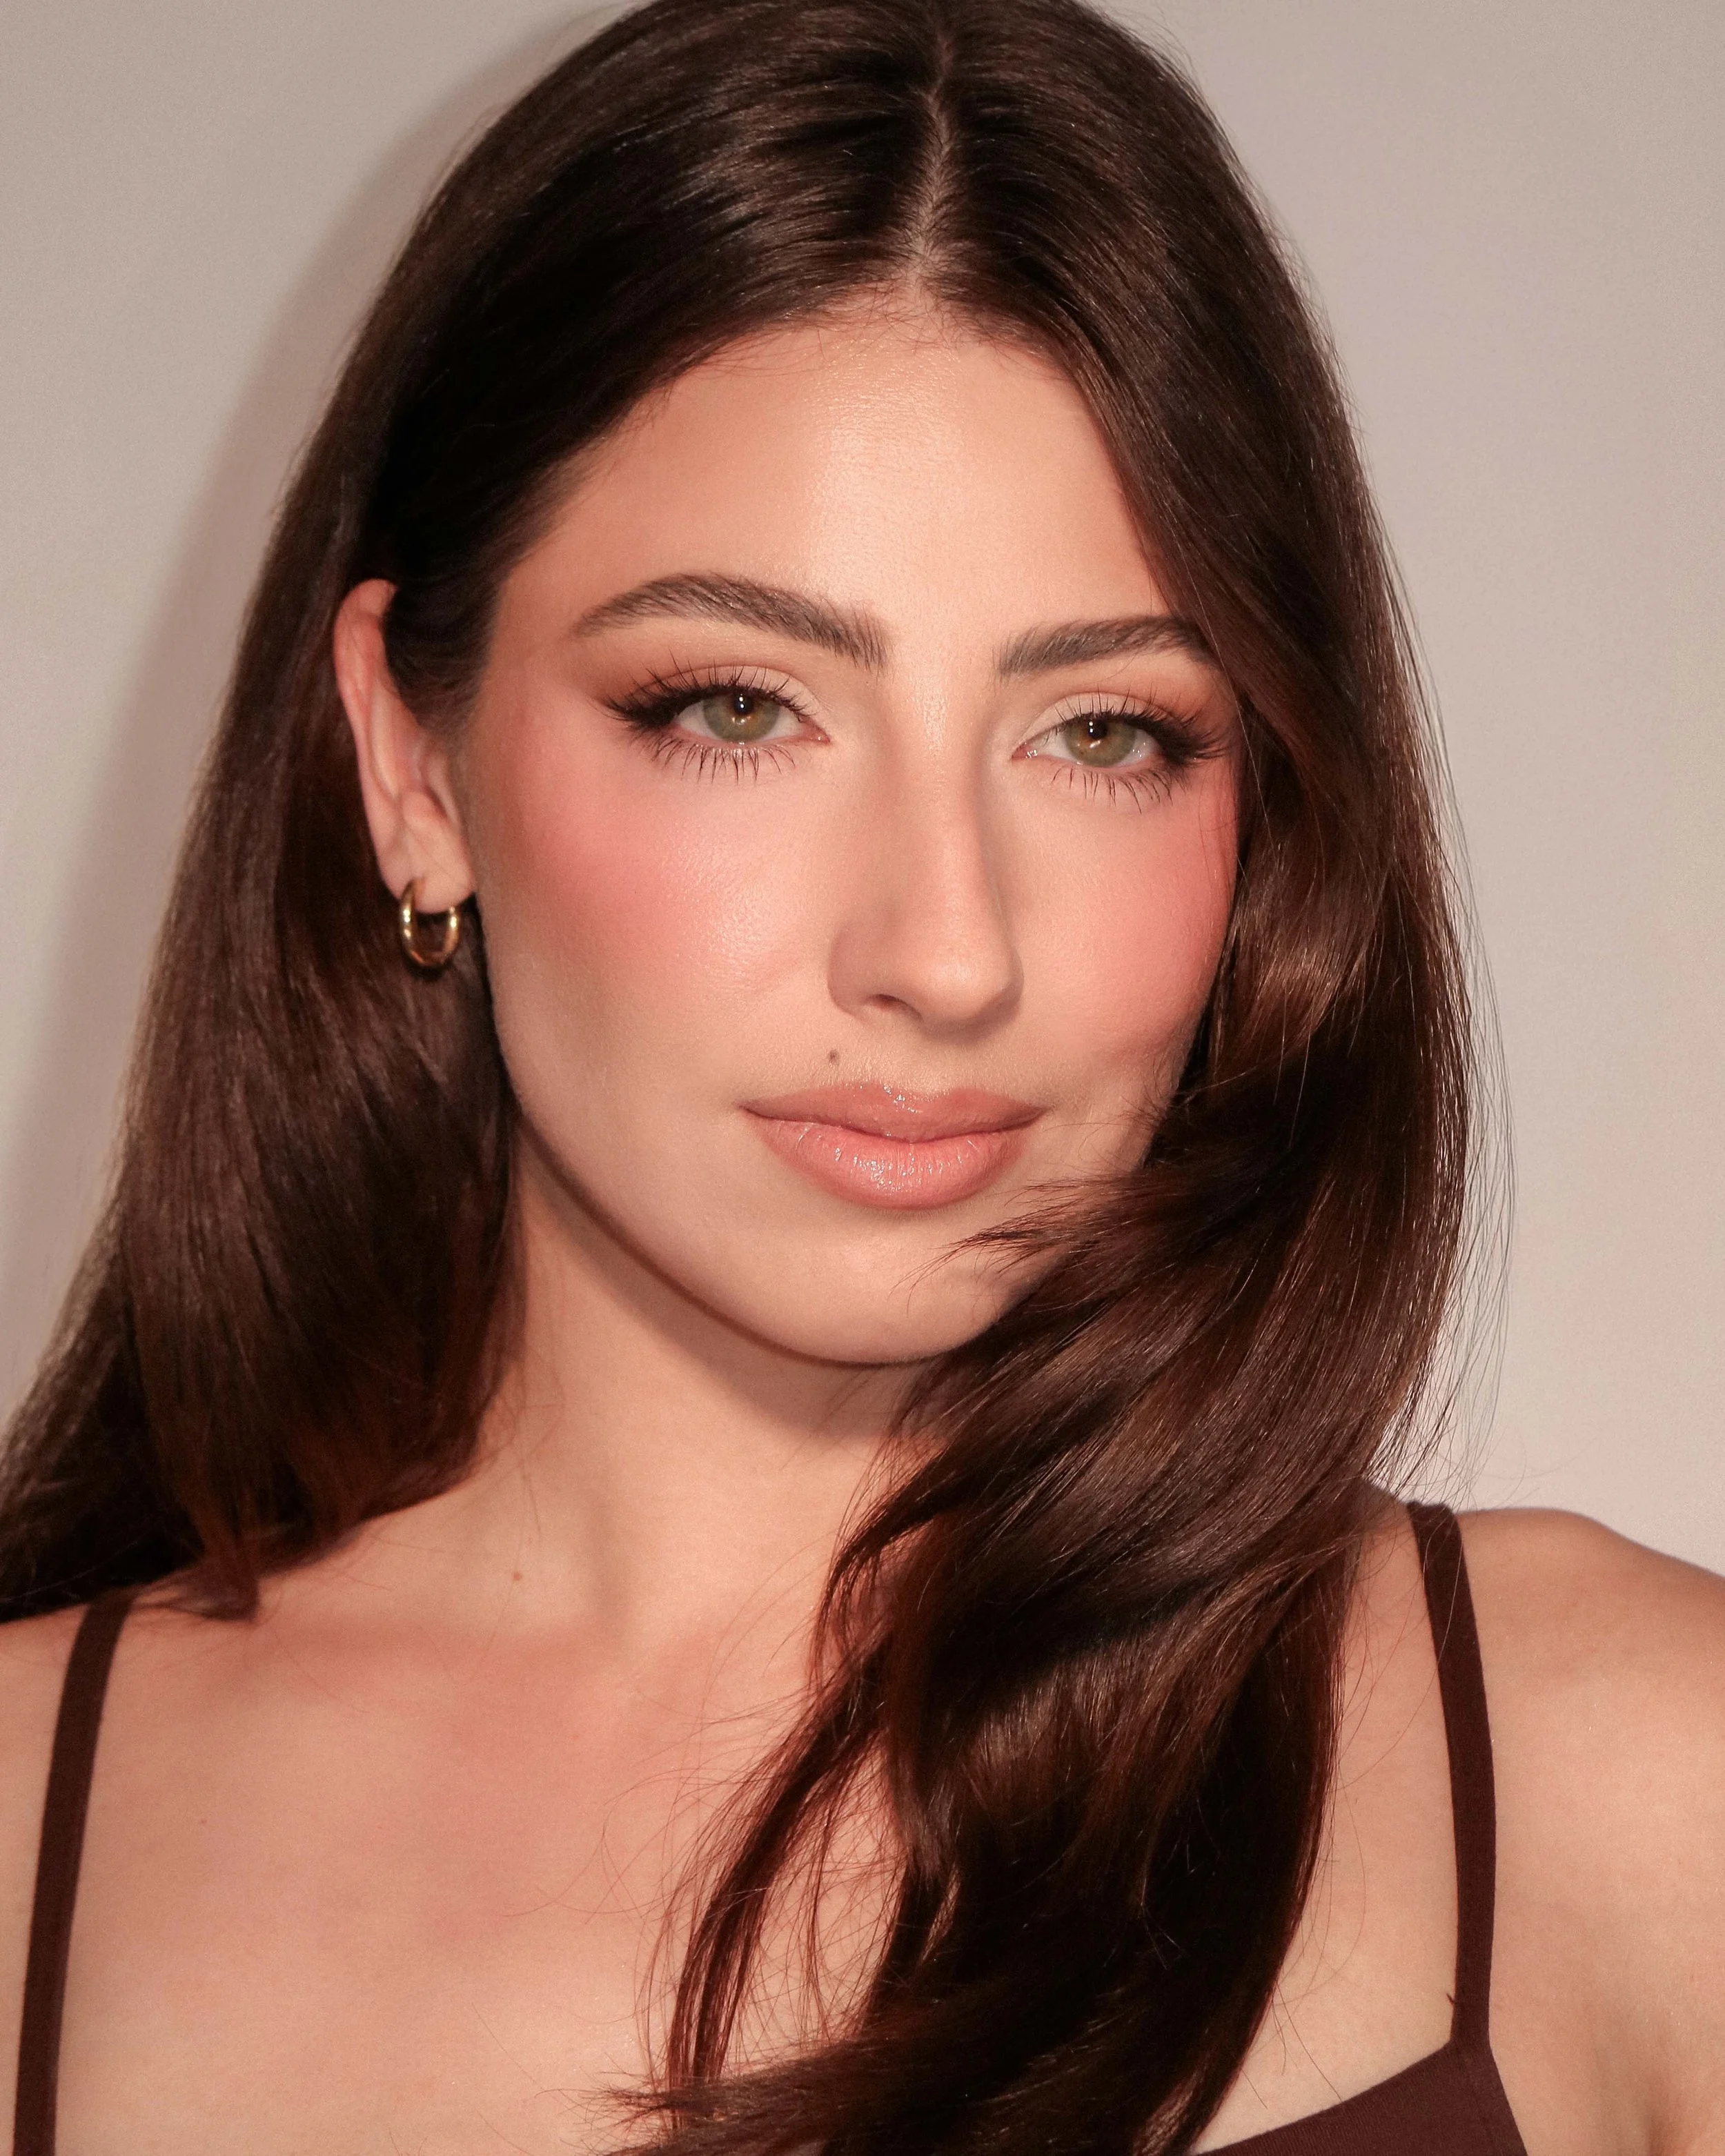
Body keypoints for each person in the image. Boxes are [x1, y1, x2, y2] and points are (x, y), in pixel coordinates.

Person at [1, 0, 1721, 2149]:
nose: (941, 947)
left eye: (1104, 733)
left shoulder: (1636, 1783)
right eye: (736, 705)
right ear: (408, 762)